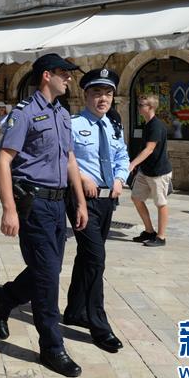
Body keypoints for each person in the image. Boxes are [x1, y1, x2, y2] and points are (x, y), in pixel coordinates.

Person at [0, 53, 88, 378]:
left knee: (48, 269)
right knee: (47, 279)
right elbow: (3, 161)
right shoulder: (25, 114)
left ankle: (3, 299)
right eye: (63, 73)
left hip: (59, 205)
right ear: (46, 76)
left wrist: (80, 202)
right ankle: (52, 346)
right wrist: (9, 209)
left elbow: (69, 158)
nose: (68, 78)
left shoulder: (62, 114)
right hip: (35, 205)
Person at [63, 69, 129, 353]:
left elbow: (122, 155)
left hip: (106, 200)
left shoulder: (113, 125)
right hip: (82, 199)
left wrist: (120, 177)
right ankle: (99, 325)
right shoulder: (73, 124)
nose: (103, 99)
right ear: (85, 95)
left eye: (108, 93)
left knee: (89, 257)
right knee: (96, 258)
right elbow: (65, 156)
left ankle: (75, 310)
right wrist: (82, 178)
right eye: (97, 93)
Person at [128, 94, 173, 247]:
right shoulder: (147, 124)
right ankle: (149, 231)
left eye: (142, 105)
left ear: (151, 107)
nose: (139, 107)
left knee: (161, 203)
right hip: (145, 171)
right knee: (136, 198)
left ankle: (161, 237)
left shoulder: (156, 126)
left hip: (158, 172)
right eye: (139, 104)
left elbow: (149, 149)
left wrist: (132, 164)